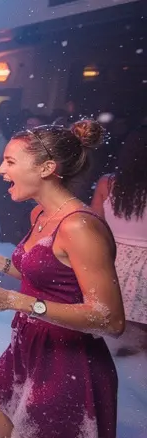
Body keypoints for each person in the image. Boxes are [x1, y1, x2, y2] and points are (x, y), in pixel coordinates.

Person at [0, 120, 124, 438]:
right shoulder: (40, 214)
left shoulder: (80, 227)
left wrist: (19, 302)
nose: (0, 169)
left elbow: (109, 319)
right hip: (24, 350)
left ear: (46, 169)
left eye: (10, 162)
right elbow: (50, 277)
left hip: (67, 367)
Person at [91, 124, 147, 356]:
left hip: (112, 259)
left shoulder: (107, 183)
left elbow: (94, 224)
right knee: (141, 333)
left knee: (107, 326)